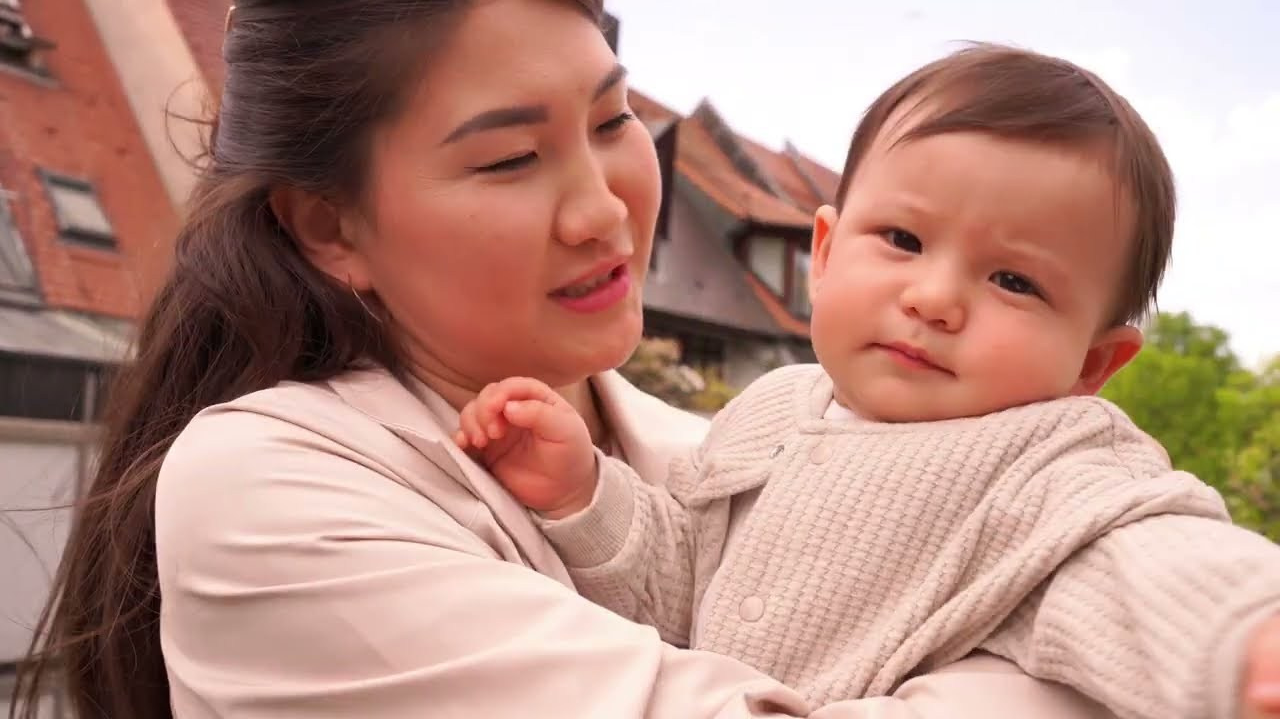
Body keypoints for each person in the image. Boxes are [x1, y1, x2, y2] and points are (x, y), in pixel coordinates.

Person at [10, 3, 1121, 719]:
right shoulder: (268, 487)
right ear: (330, 228)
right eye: (507, 160)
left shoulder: (721, 456)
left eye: (608, 121)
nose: (602, 212)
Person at [454, 44, 1280, 719]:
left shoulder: (1048, 463)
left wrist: (1249, 633)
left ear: (1093, 365)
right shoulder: (772, 409)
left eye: (1015, 283)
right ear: (823, 253)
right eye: (903, 239)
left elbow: (1149, 563)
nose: (935, 299)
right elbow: (686, 579)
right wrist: (584, 496)